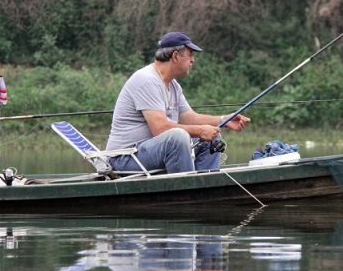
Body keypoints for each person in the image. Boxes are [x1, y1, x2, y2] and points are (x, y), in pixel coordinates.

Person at [105, 31, 250, 174]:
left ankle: (205, 191)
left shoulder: (173, 85)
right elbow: (160, 128)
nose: (193, 60)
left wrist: (224, 120)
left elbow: (191, 118)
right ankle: (186, 193)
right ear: (175, 56)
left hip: (149, 153)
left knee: (212, 138)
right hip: (125, 158)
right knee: (178, 138)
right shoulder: (146, 79)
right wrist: (200, 131)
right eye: (190, 54)